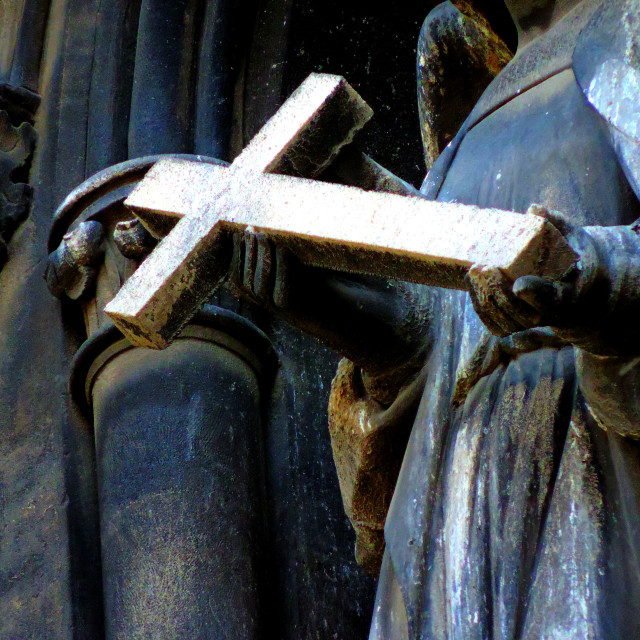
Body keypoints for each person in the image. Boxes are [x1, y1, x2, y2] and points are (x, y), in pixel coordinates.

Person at [231, 0, 640, 638]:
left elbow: (594, 272)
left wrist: (590, 278)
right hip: (457, 469)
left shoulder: (624, 29)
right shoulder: (469, 119)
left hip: (586, 436)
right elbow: (438, 343)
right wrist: (314, 302)